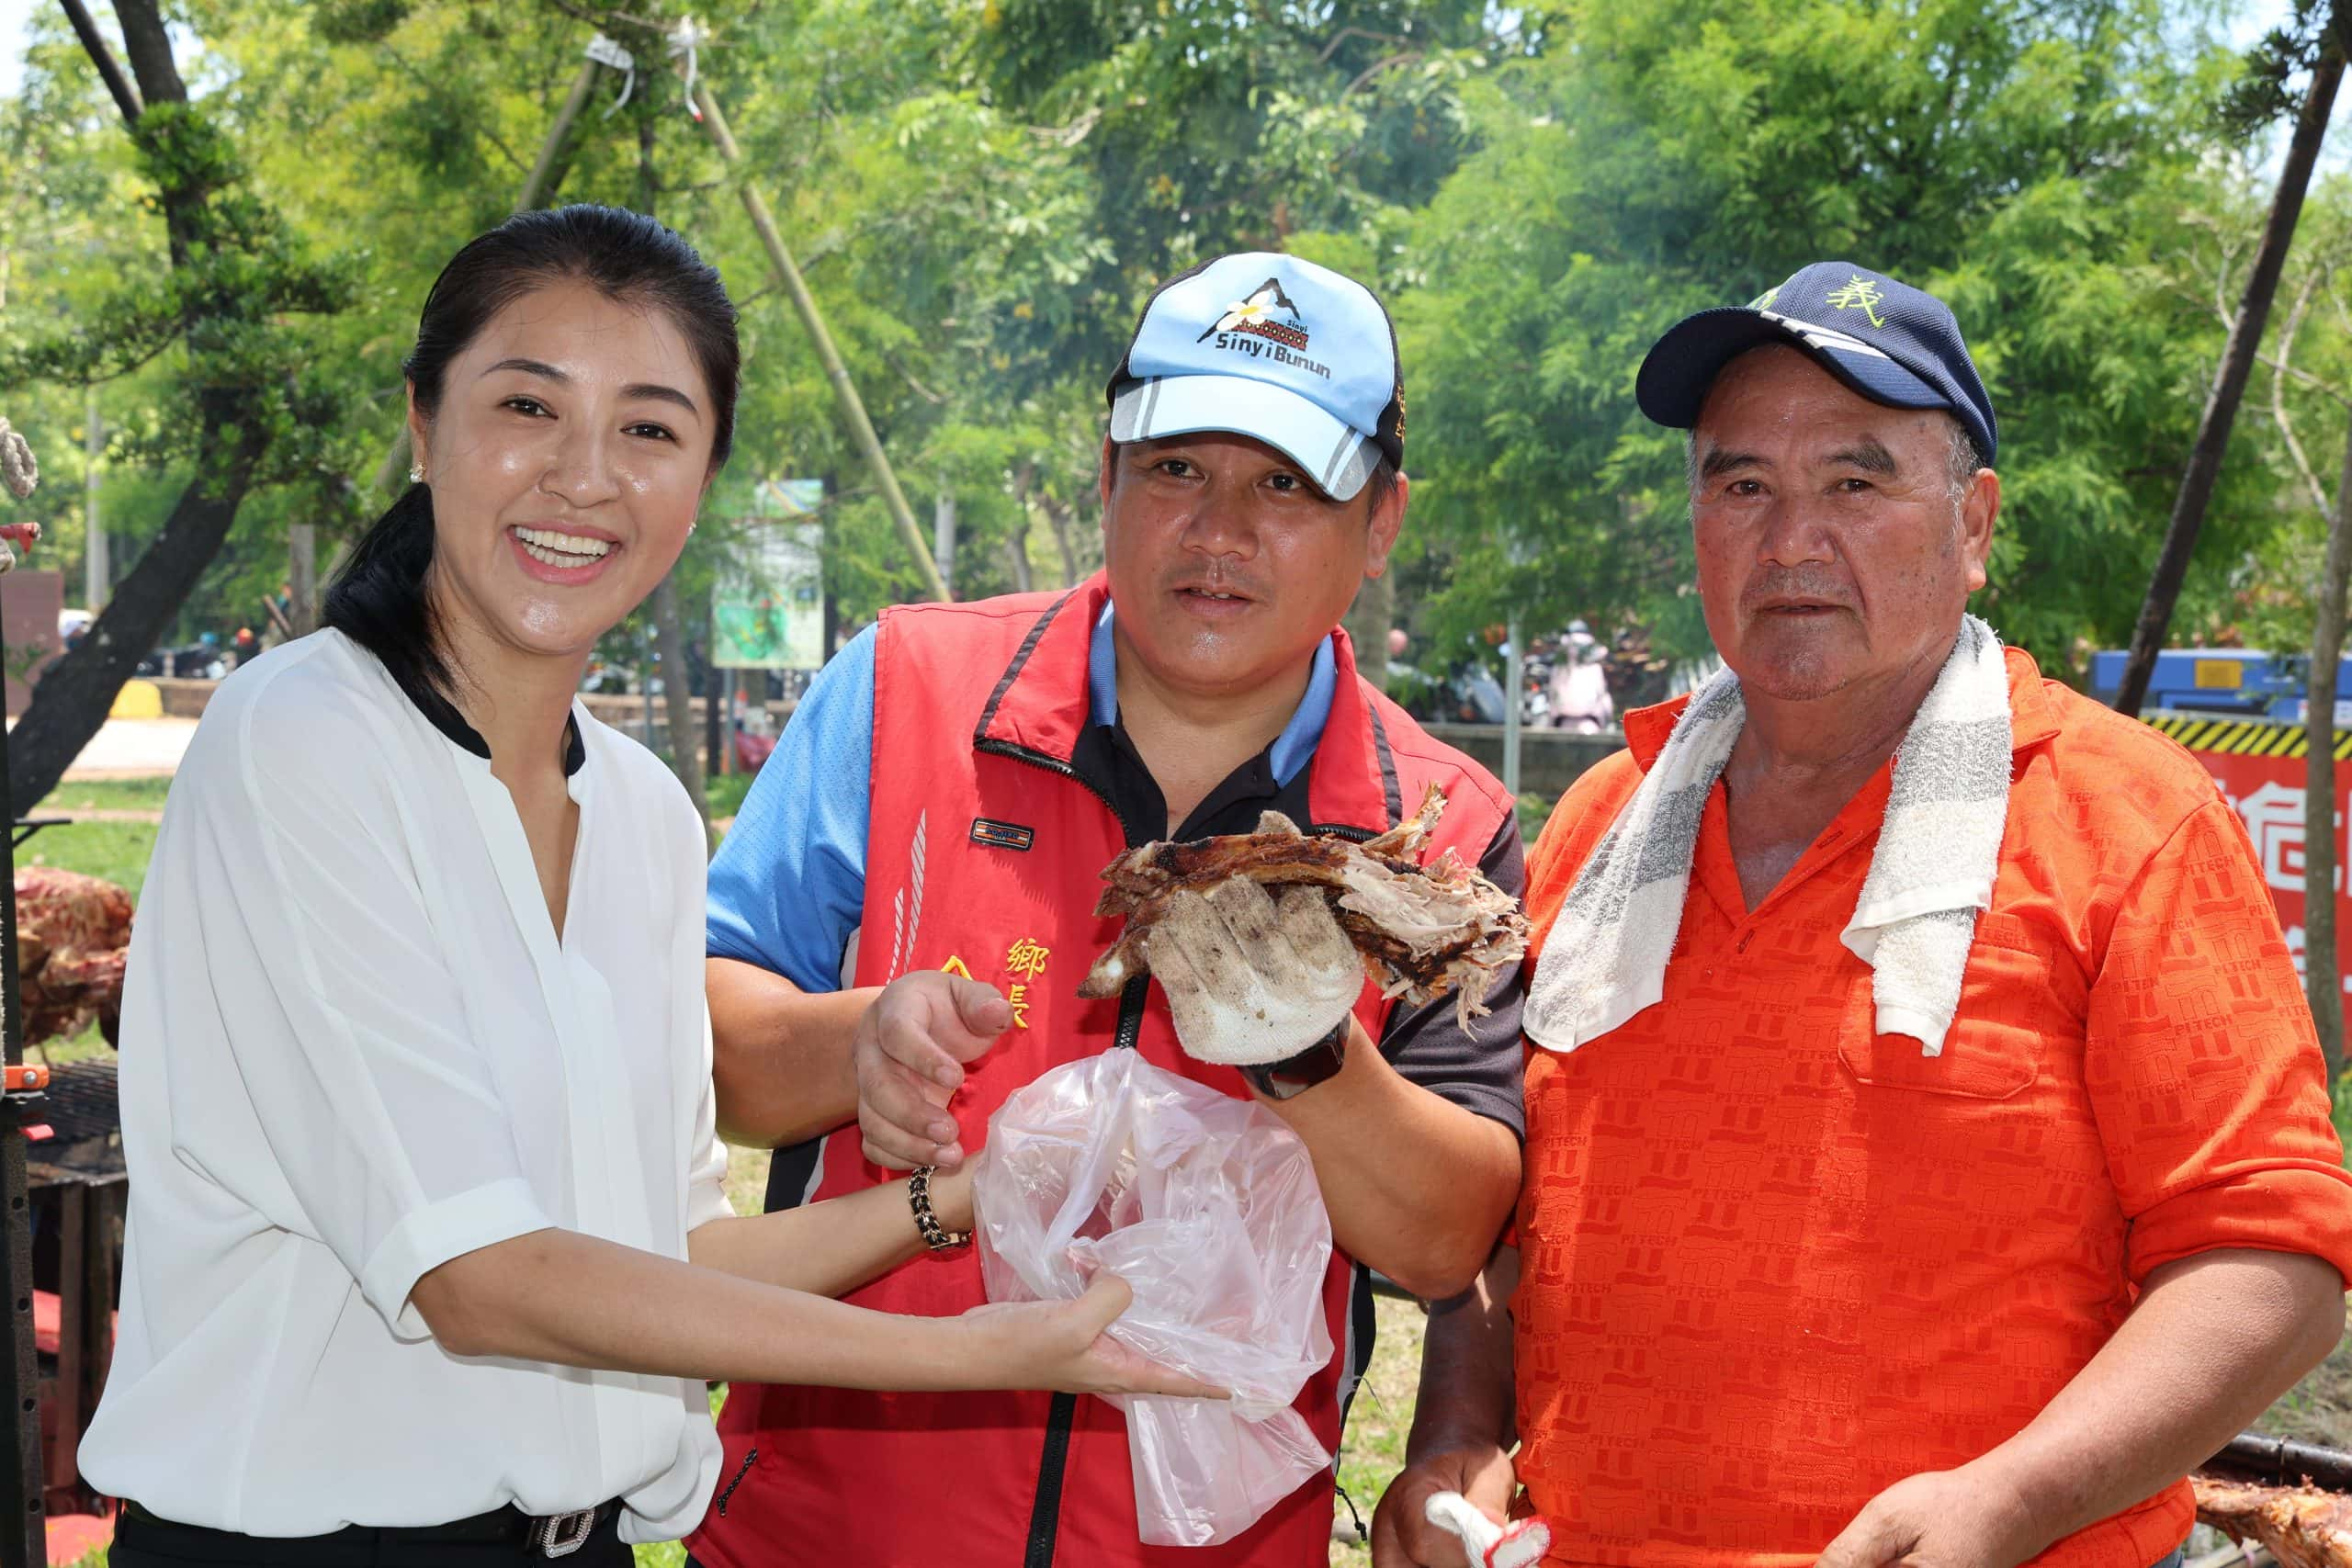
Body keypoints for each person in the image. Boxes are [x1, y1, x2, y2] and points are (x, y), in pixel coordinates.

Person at [78, 205, 1211, 1568]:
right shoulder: (304, 740)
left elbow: (669, 1255)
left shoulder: (648, 817)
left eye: (650, 429)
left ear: (704, 474)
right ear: (425, 424)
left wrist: (972, 1189)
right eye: (527, 406)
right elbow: (481, 1280)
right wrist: (978, 1354)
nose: (583, 478)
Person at [1374, 262, 2352, 1568]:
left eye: (1856, 480)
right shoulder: (1601, 822)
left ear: (1974, 521)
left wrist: (2010, 1499)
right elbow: (1508, 1221)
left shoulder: (2128, 818)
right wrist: (1456, 1422)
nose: (1790, 540)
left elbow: (2273, 1263)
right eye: (1742, 486)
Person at [690, 251, 1528, 1567]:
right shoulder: (909, 683)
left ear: (1383, 522)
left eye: (1287, 486)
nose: (1219, 529)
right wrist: (855, 1042)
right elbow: (719, 1047)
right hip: (836, 1524)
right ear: (1106, 477)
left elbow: (1447, 1230)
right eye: (1176, 469)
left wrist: (1310, 1050)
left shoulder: (1437, 826)